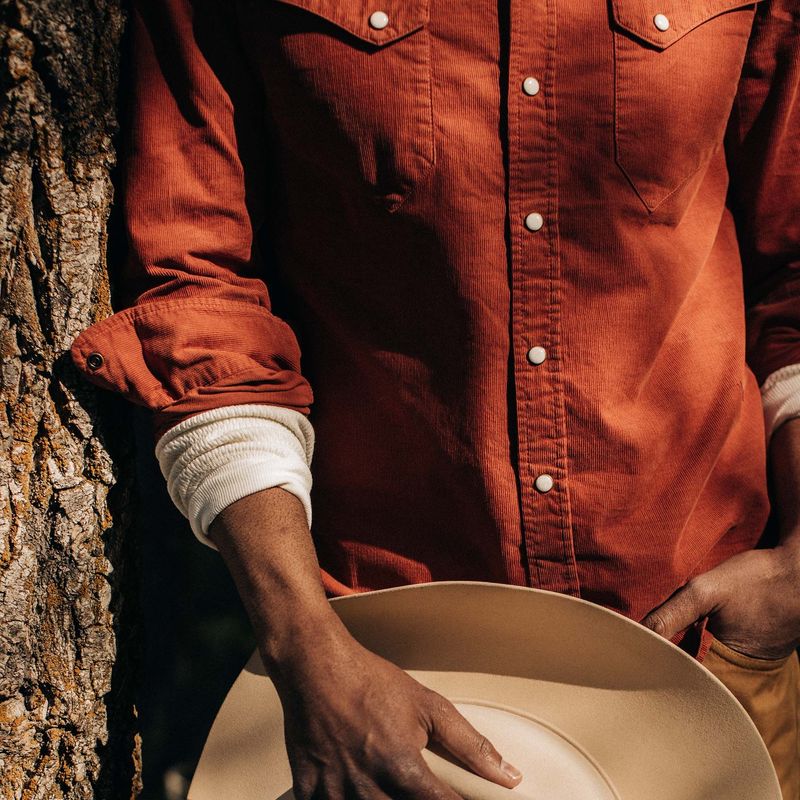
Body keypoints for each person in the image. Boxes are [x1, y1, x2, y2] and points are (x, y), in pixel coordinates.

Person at [71, 0, 800, 796]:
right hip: (375, 682)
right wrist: (304, 640)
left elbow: (792, 270)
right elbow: (200, 295)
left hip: (705, 664)